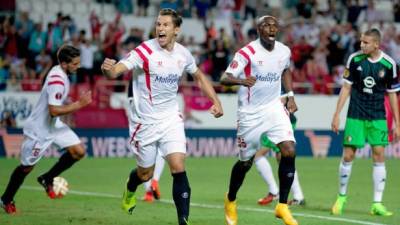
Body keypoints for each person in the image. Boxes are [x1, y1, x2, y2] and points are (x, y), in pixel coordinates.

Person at [101, 8, 223, 225]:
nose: (160, 28)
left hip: (170, 118)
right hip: (144, 122)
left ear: (176, 30)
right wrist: (108, 70)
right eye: (158, 24)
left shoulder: (183, 54)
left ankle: (183, 220)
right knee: (145, 174)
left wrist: (216, 100)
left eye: (166, 25)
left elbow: (199, 76)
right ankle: (130, 188)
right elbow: (117, 70)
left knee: (178, 165)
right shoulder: (144, 51)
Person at [220, 15, 298, 225]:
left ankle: (282, 206)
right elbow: (224, 78)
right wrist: (242, 80)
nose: (272, 29)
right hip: (250, 114)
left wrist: (290, 96)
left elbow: (285, 70)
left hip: (274, 108)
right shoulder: (247, 52)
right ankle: (231, 200)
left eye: (275, 25)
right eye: (267, 26)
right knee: (246, 162)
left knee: (289, 150)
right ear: (258, 30)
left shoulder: (284, 51)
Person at [0, 45, 92, 214]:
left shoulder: (62, 72)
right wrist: (79, 104)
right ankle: (6, 199)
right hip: (39, 129)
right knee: (26, 167)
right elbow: (53, 110)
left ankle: (47, 178)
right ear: (64, 64)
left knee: (78, 151)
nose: (78, 66)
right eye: (75, 63)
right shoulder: (57, 79)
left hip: (53, 125)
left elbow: (54, 111)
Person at [331, 28, 400, 216]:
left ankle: (377, 203)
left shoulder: (389, 64)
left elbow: (393, 95)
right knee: (348, 156)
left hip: (378, 116)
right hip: (356, 114)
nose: (362, 45)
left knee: (379, 155)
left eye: (366, 42)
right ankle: (341, 197)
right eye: (361, 42)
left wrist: (397, 123)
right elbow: (346, 88)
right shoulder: (354, 60)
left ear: (376, 44)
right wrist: (337, 114)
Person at [255, 109, 305, 206]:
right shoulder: (284, 94)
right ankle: (298, 197)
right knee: (282, 158)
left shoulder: (275, 95)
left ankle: (274, 192)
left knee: (258, 155)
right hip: (283, 119)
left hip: (278, 121)